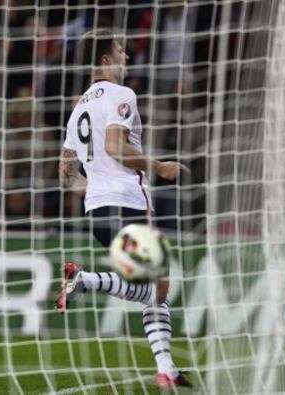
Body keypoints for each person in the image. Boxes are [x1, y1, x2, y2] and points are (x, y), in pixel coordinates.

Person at [55, 28, 191, 389]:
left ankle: (167, 369)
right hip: (127, 203)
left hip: (95, 211)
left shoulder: (78, 107)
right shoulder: (121, 93)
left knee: (153, 287)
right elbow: (116, 147)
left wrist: (94, 179)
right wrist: (158, 166)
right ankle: (86, 280)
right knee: (160, 288)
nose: (126, 56)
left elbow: (65, 170)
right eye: (119, 51)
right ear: (105, 60)